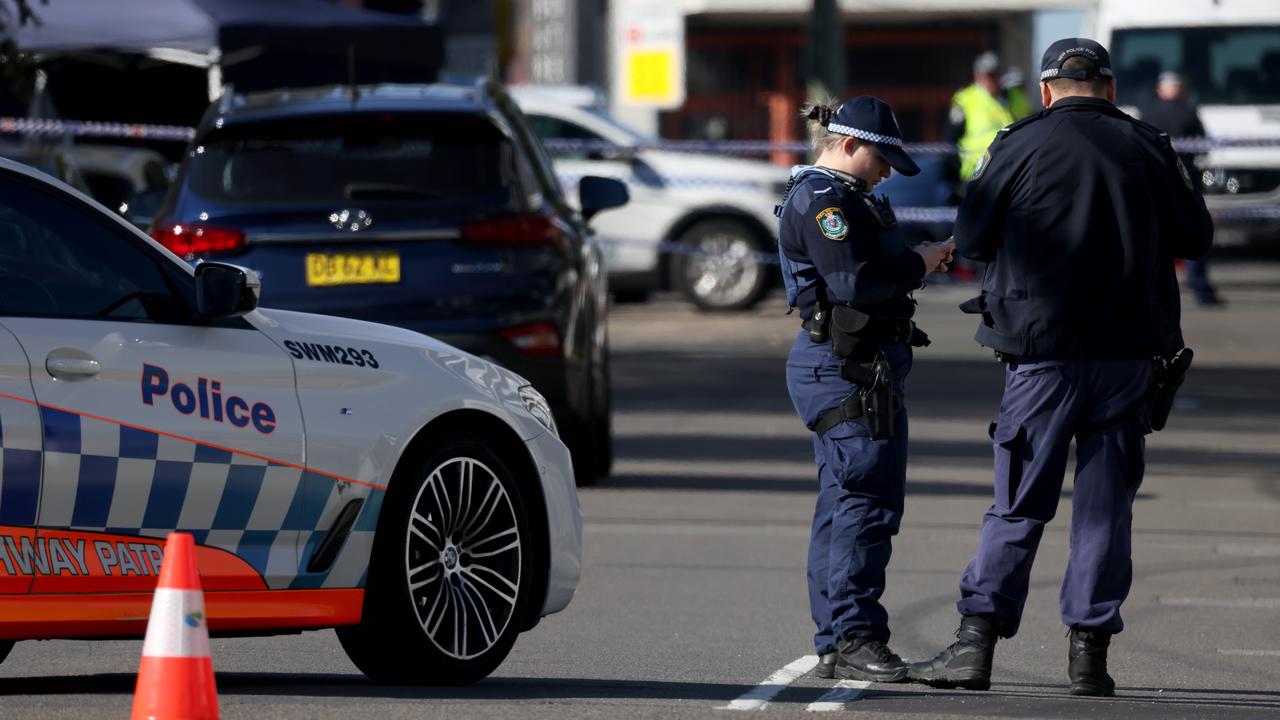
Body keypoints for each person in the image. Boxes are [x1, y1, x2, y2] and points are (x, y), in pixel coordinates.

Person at [908, 38, 1212, 696]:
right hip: (1129, 354)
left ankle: (975, 646)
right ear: (1106, 88)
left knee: (1018, 504)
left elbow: (977, 237)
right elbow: (1196, 237)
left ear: (1046, 91)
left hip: (1041, 354)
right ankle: (1089, 659)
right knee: (1104, 510)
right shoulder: (1149, 145)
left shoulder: (1016, 144)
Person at [775, 96, 953, 682]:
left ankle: (836, 638)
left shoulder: (848, 198)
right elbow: (853, 281)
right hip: (843, 366)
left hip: (854, 364)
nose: (886, 172)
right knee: (864, 503)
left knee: (844, 504)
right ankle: (854, 635)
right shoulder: (824, 199)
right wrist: (921, 263)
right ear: (849, 144)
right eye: (881, 158)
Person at [1141, 70, 1223, 306]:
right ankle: (1201, 289)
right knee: (1192, 231)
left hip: (1153, 183)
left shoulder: (1147, 114)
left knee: (1153, 237)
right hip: (1185, 181)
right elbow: (1202, 146)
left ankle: (1151, 291)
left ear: (1160, 90)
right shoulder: (1189, 112)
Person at [947, 52, 1032, 185]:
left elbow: (1030, 130)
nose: (992, 79)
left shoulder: (1015, 96)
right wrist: (957, 178)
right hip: (978, 172)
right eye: (988, 75)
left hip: (1012, 169)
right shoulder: (965, 99)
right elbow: (950, 141)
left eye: (995, 74)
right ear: (977, 75)